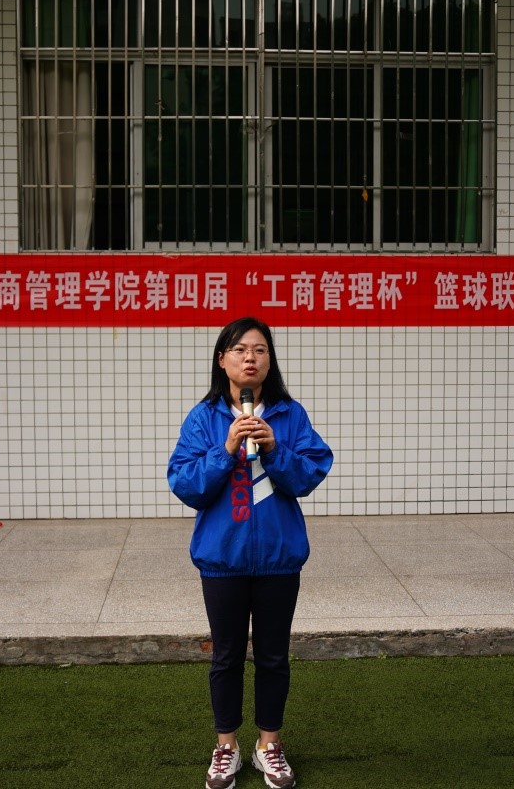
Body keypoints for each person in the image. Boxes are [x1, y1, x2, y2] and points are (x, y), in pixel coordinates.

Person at [168, 316, 333, 789]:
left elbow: (310, 473)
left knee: (273, 657)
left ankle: (268, 745)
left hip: (279, 560)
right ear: (222, 360)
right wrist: (225, 449)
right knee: (225, 657)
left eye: (260, 350)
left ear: (269, 361)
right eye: (240, 350)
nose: (250, 358)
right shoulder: (203, 418)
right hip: (223, 560)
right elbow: (185, 484)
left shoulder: (289, 415)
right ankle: (226, 747)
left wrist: (275, 449)